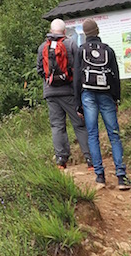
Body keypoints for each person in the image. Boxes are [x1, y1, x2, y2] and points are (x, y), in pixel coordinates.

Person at [75, 17, 131, 190]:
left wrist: (79, 105)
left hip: (88, 95)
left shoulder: (81, 51)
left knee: (93, 134)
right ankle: (121, 176)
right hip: (106, 94)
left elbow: (77, 79)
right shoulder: (108, 50)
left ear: (85, 34)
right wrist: (116, 98)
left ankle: (100, 176)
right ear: (98, 31)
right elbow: (115, 76)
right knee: (114, 134)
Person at [37, 18, 92, 170]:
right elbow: (78, 68)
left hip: (50, 93)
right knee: (79, 124)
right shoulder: (70, 44)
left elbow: (40, 70)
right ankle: (89, 159)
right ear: (64, 30)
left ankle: (61, 160)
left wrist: (51, 80)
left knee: (57, 126)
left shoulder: (43, 47)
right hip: (69, 92)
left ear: (50, 29)